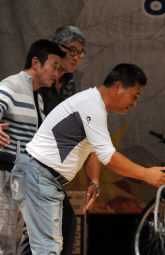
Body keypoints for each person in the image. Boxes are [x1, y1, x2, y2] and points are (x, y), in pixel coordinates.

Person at [10, 63, 165, 255]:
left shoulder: (94, 106)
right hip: (37, 176)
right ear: (118, 86)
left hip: (37, 176)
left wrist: (94, 182)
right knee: (48, 249)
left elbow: (94, 150)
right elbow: (107, 156)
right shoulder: (91, 104)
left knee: (36, 249)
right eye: (134, 96)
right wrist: (145, 174)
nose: (134, 103)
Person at [18, 25, 92, 255]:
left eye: (81, 52)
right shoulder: (35, 79)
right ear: (57, 49)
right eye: (73, 50)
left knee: (59, 225)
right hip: (25, 161)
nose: (77, 57)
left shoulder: (69, 82)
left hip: (47, 167)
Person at [0, 39, 65, 255]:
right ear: (36, 63)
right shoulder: (12, 85)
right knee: (5, 243)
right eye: (54, 66)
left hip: (20, 180)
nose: (57, 72)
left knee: (13, 244)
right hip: (4, 176)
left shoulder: (35, 96)